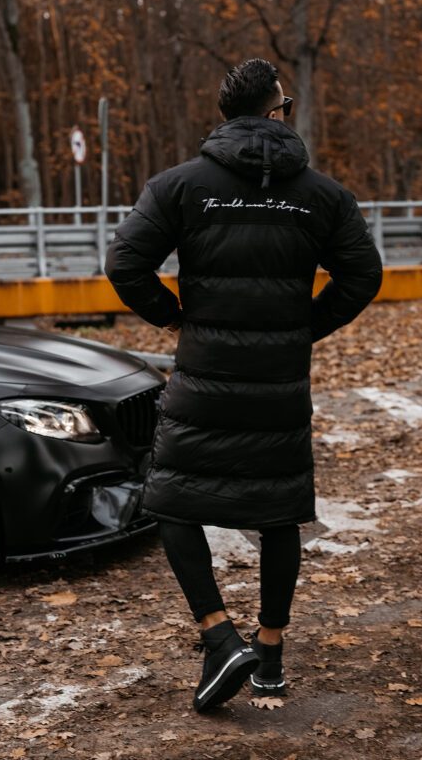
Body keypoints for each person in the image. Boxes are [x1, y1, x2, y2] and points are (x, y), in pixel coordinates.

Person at [104, 58, 383, 713]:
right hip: (278, 379)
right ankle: (270, 656)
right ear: (278, 111)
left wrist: (173, 316)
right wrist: (303, 327)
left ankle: (218, 633)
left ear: (226, 114)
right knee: (278, 508)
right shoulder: (322, 194)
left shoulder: (181, 186)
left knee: (172, 499)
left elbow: (124, 262)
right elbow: (363, 276)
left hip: (203, 373)